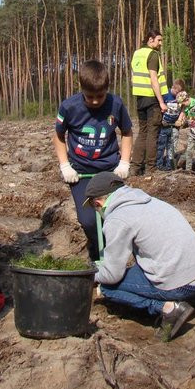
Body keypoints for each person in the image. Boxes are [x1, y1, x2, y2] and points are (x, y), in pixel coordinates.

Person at [87, 172, 195, 341]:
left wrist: (90, 275)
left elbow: (112, 275)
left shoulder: (117, 220)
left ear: (98, 203)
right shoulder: (151, 201)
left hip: (181, 285)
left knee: (107, 288)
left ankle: (168, 308)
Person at [54, 60, 133, 261]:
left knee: (114, 215)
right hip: (81, 173)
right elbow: (58, 135)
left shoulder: (116, 104)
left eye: (100, 96)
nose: (96, 101)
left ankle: (115, 255)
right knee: (89, 220)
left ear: (107, 89)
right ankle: (98, 254)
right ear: (81, 88)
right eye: (90, 97)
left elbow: (126, 132)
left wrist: (124, 162)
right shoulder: (69, 107)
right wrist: (65, 166)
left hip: (109, 169)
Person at [129, 30, 168, 175]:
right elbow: (154, 79)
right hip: (152, 99)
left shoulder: (137, 54)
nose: (160, 43)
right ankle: (150, 168)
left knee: (142, 132)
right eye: (159, 40)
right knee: (153, 133)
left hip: (140, 98)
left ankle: (135, 167)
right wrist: (161, 102)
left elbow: (132, 78)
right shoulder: (153, 54)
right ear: (150, 40)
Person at [156, 78, 185, 171]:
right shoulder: (165, 95)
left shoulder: (181, 97)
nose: (178, 94)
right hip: (164, 126)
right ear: (173, 87)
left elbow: (183, 108)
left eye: (180, 92)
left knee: (171, 147)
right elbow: (159, 106)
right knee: (161, 146)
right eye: (177, 92)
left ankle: (169, 166)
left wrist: (180, 119)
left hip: (174, 126)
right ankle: (159, 165)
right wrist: (160, 119)